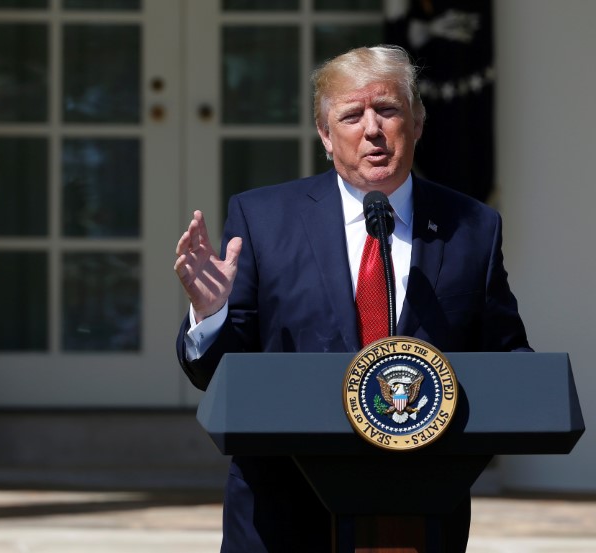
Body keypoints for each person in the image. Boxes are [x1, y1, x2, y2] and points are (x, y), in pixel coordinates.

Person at [173, 45, 531, 553]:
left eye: (387, 110)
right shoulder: (262, 220)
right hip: (281, 514)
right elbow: (219, 375)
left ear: (418, 122)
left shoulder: (471, 227)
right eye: (351, 115)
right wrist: (210, 316)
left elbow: (506, 355)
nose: (372, 129)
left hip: (421, 509)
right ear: (325, 135)